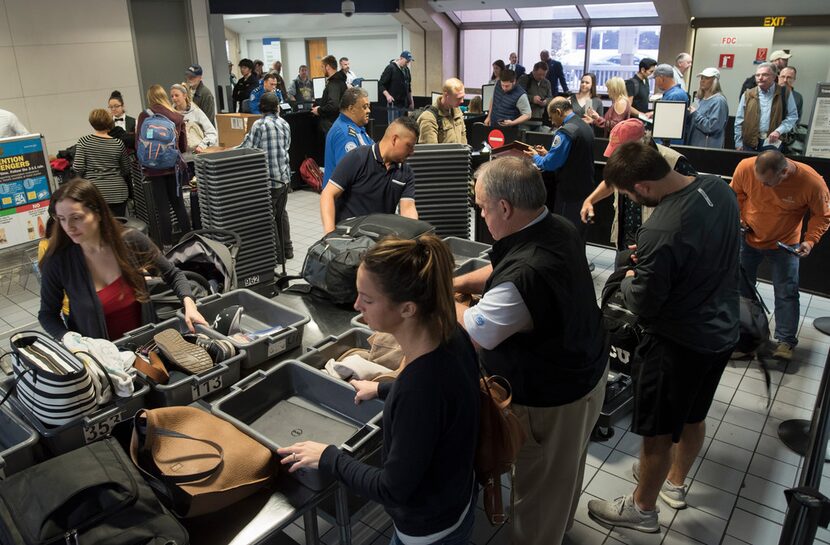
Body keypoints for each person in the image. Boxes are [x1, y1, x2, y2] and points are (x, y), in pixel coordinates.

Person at [278, 234, 480, 545]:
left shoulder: (419, 389)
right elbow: (443, 396)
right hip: (457, 499)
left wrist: (329, 457)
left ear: (408, 309)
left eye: (368, 299)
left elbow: (392, 488)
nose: (357, 305)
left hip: (429, 530)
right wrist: (382, 389)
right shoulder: (452, 334)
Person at [587, 141, 740, 533]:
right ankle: (674, 484)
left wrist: (637, 275)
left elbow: (645, 304)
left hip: (676, 343)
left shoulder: (660, 226)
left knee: (656, 433)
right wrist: (660, 260)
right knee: (693, 415)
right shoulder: (717, 188)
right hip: (721, 331)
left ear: (644, 187)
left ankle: (642, 508)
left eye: (629, 194)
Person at [453, 156, 607, 545]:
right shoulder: (555, 226)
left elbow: (476, 331)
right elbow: (498, 270)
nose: (482, 216)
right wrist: (454, 281)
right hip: (586, 374)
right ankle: (559, 527)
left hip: (552, 400)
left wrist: (441, 297)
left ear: (505, 207)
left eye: (483, 208)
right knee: (563, 475)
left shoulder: (528, 273)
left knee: (538, 497)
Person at [38, 179, 207, 341]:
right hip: (102, 361)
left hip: (147, 348)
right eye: (61, 219)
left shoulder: (130, 240)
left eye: (76, 217)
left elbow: (173, 274)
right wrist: (68, 337)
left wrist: (189, 304)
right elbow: (47, 314)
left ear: (98, 213)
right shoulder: (58, 261)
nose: (69, 227)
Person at [730, 150, 830, 360]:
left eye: (767, 184)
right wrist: (738, 217)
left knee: (786, 292)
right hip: (748, 237)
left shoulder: (811, 182)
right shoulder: (745, 167)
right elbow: (736, 194)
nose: (763, 187)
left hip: (785, 244)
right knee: (741, 289)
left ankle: (785, 342)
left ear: (784, 172)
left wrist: (810, 241)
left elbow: (822, 216)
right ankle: (744, 338)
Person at [580, 119, 697, 252]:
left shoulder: (673, 160)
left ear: (640, 144)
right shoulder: (623, 162)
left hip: (658, 240)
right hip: (625, 236)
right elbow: (611, 182)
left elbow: (693, 197)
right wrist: (590, 200)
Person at [320, 117, 419, 234]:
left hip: (380, 239)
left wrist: (414, 233)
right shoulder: (358, 158)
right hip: (349, 238)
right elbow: (328, 194)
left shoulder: (406, 173)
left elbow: (408, 208)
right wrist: (330, 235)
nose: (412, 152)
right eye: (409, 146)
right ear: (394, 140)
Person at [525, 98, 595, 243]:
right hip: (585, 188)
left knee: (565, 233)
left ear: (558, 112)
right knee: (579, 235)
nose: (551, 122)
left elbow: (550, 164)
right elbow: (573, 154)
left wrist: (536, 157)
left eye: (551, 117)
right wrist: (548, 153)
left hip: (569, 193)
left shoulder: (565, 132)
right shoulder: (584, 125)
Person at [238, 93, 294, 262]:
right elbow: (288, 145)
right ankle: (288, 250)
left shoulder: (259, 125)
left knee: (269, 216)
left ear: (261, 108)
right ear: (277, 107)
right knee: (281, 213)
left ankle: (278, 256)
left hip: (269, 180)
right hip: (284, 177)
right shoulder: (284, 123)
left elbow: (249, 147)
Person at [135, 84, 191, 248]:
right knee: (178, 204)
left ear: (150, 98)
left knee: (162, 208)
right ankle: (189, 240)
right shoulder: (176, 116)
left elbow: (139, 143)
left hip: (153, 169)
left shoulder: (144, 116)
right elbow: (183, 146)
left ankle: (166, 245)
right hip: (173, 167)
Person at [72, 109, 131, 217]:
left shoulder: (84, 141)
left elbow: (78, 167)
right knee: (118, 226)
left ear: (92, 122)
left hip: (94, 193)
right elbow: (126, 168)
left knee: (98, 228)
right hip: (117, 192)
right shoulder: (118, 143)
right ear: (109, 122)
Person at [734, 62, 798, 152]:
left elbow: (792, 116)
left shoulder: (784, 93)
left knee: (769, 166)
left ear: (774, 77)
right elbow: (739, 120)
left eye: (765, 75)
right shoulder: (748, 94)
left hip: (772, 143)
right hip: (749, 143)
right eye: (757, 75)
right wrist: (738, 142)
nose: (760, 78)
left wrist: (778, 131)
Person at [323, 87, 373, 189]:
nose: (369, 111)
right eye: (364, 107)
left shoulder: (356, 127)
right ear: (351, 109)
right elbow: (349, 174)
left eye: (368, 106)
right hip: (346, 200)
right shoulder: (345, 134)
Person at [686, 67, 729, 148]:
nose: (702, 80)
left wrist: (695, 114)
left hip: (707, 148)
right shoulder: (700, 99)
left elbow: (712, 127)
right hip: (694, 145)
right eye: (702, 78)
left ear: (714, 81)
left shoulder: (719, 101)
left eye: (707, 78)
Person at [417, 78, 467, 144]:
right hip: (443, 154)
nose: (462, 101)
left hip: (458, 154)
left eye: (463, 97)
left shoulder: (457, 112)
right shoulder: (429, 118)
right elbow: (430, 151)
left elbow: (464, 142)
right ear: (446, 95)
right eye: (458, 98)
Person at [170, 83, 217, 153]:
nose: (174, 98)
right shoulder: (170, 114)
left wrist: (202, 146)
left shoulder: (196, 111)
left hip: (197, 153)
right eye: (172, 96)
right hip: (179, 155)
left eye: (177, 95)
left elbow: (212, 133)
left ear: (184, 95)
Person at [653, 64, 689, 144]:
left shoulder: (674, 96)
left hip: (668, 143)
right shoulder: (675, 93)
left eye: (655, 79)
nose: (655, 83)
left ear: (661, 78)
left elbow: (667, 125)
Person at [313, 55, 348, 134]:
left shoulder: (334, 83)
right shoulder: (341, 81)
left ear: (327, 67)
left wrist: (319, 110)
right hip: (338, 122)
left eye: (322, 67)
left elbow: (333, 105)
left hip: (331, 124)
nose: (322, 69)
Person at [379, 51, 415, 124]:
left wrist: (411, 101)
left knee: (401, 125)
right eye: (406, 61)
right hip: (394, 103)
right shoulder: (391, 68)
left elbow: (408, 87)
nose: (407, 63)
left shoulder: (406, 70)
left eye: (409, 62)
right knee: (393, 124)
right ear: (401, 58)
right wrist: (387, 95)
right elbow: (381, 84)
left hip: (403, 103)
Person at [517, 62, 553, 129]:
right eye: (539, 74)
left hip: (540, 120)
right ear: (533, 71)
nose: (541, 77)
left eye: (544, 75)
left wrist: (546, 102)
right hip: (524, 120)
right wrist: (532, 99)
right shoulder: (524, 79)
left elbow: (550, 98)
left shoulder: (547, 83)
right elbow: (517, 96)